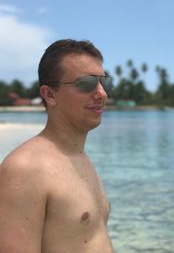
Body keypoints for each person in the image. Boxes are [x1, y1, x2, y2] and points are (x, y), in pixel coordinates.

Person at [0, 39, 115, 252]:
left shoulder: (79, 158)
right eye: (87, 83)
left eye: (104, 82)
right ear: (50, 94)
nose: (102, 94)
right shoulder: (25, 169)